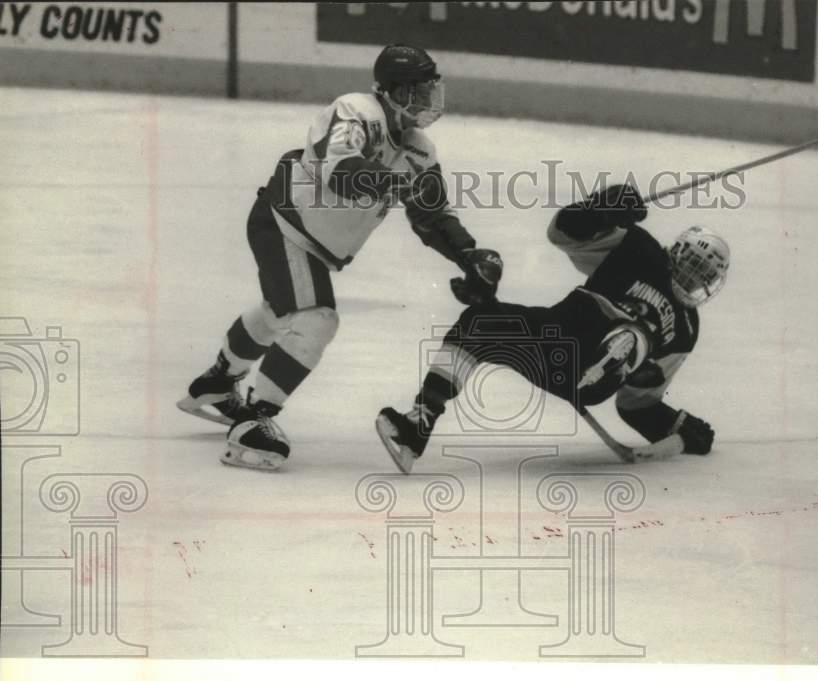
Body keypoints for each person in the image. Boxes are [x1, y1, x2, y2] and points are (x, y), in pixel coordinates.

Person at [177, 44, 503, 471]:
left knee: (281, 312)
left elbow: (433, 218)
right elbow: (342, 171)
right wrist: (400, 185)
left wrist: (469, 255)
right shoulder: (356, 111)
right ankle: (255, 421)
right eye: (417, 92)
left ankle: (216, 383)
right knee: (315, 318)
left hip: (308, 240)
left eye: (430, 91)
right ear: (391, 91)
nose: (428, 101)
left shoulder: (421, 150)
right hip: (283, 223)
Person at [376, 184, 728, 473]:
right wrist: (598, 210)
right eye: (691, 266)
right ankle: (417, 424)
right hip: (557, 340)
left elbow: (638, 404)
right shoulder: (639, 248)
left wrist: (676, 424)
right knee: (478, 324)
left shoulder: (687, 330)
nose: (692, 280)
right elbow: (561, 232)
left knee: (630, 336)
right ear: (677, 252)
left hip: (587, 379)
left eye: (703, 277)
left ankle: (616, 353)